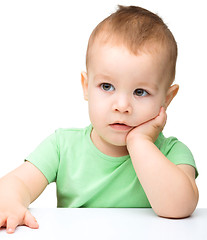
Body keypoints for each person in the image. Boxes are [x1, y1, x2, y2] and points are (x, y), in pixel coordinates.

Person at [0, 5, 199, 234]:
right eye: (107, 86)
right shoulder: (62, 147)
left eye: (140, 92)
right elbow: (14, 184)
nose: (122, 106)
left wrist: (140, 143)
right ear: (86, 87)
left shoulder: (172, 153)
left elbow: (180, 208)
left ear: (167, 98)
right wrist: (10, 203)